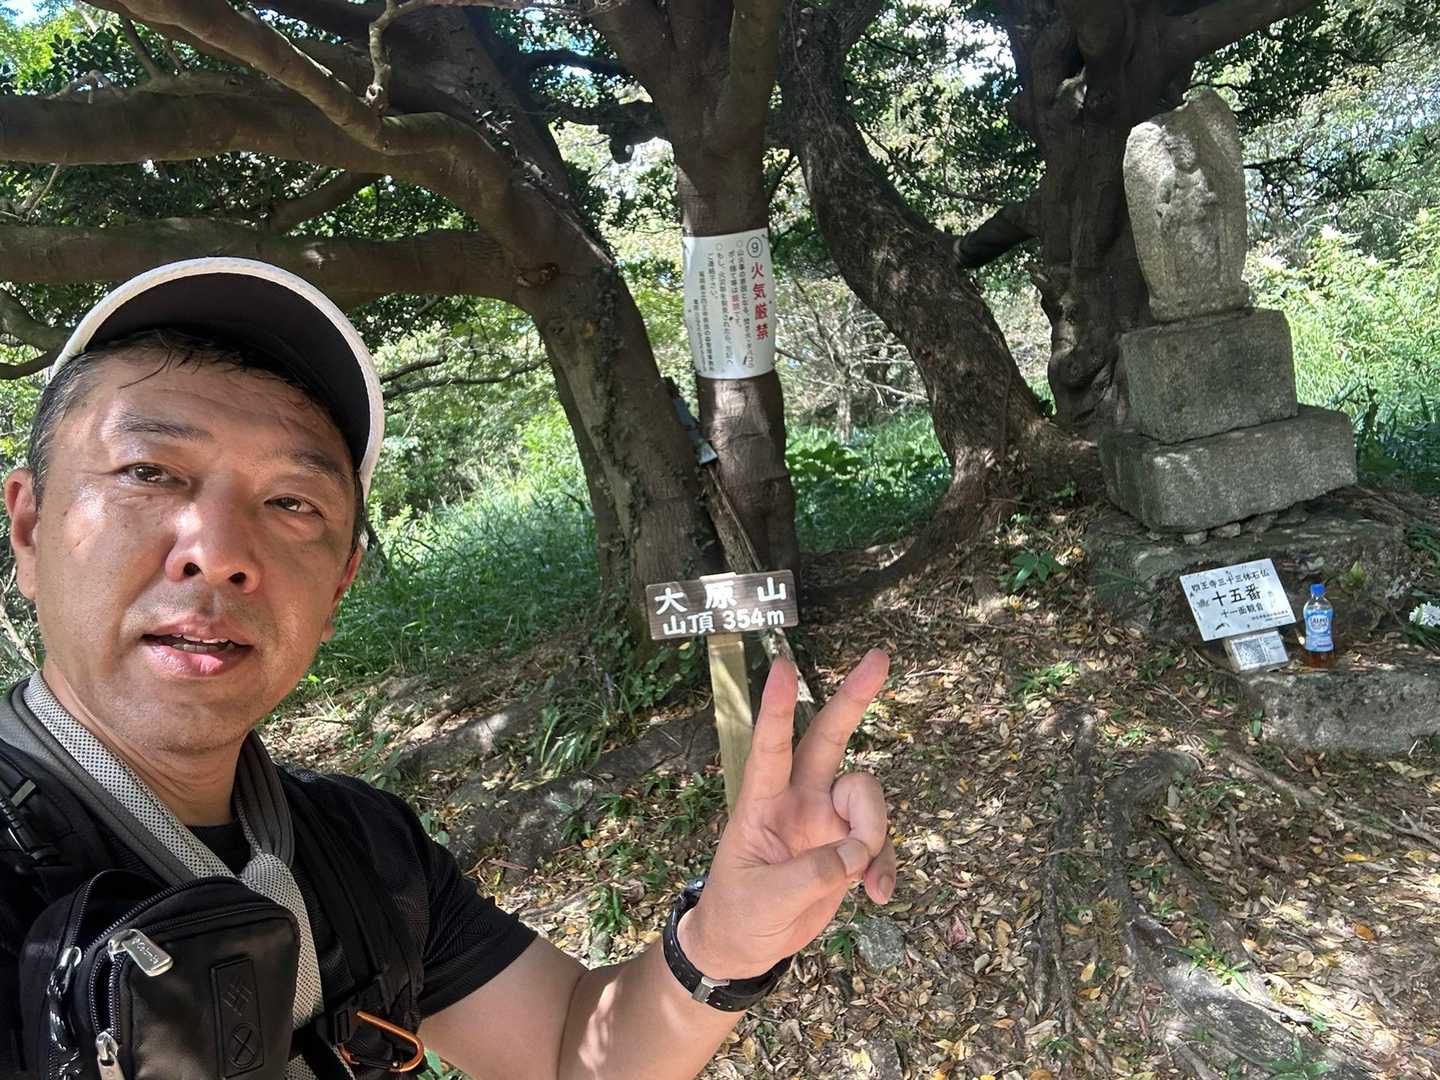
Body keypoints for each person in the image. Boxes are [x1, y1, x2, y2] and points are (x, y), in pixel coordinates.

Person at [0, 258, 897, 1079]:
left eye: (292, 502)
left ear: (340, 583)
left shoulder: (365, 850)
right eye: (150, 471)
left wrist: (721, 948)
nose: (221, 551)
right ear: (31, 527)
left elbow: (572, 1050)